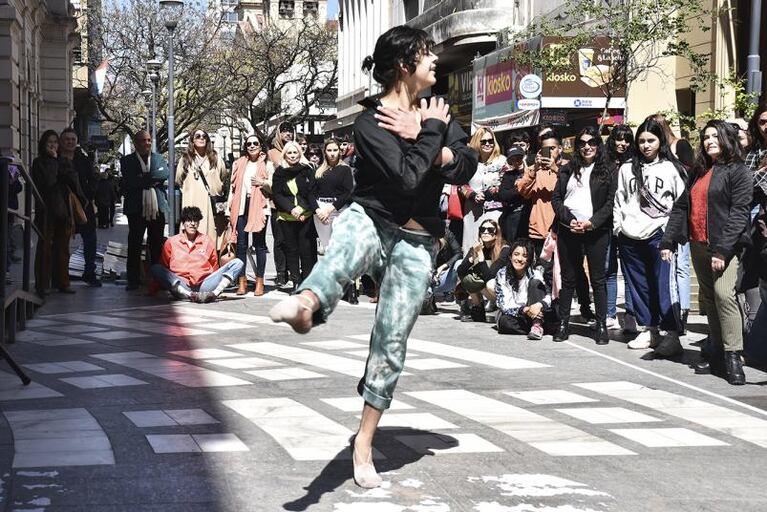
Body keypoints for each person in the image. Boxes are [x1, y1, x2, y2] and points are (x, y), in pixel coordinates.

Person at [268, 25, 476, 489]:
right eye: (426, 53)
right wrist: (432, 134)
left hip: (418, 242)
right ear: (405, 64)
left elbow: (467, 165)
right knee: (344, 249)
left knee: (391, 343)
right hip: (374, 218)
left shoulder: (435, 112)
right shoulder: (369, 123)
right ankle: (307, 304)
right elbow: (405, 178)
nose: (435, 61)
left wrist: (431, 135)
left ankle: (363, 442)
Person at [662, 120, 752, 385]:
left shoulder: (738, 171)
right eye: (706, 137)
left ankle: (733, 354)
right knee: (709, 298)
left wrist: (723, 250)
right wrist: (668, 240)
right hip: (698, 244)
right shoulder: (699, 171)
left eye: (715, 136)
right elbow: (681, 207)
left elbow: (739, 213)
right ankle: (716, 352)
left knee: (725, 295)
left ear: (726, 138)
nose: (709, 140)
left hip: (724, 246)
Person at [614, 118, 686, 357]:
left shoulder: (671, 168)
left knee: (664, 286)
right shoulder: (626, 169)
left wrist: (671, 235)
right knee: (639, 286)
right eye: (642, 141)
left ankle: (672, 334)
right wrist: (618, 227)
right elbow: (619, 200)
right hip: (629, 235)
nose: (646, 145)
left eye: (651, 140)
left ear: (660, 141)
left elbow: (681, 202)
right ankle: (649, 328)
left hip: (659, 236)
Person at [517, 131, 595, 321]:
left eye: (552, 148)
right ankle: (549, 309)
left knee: (574, 270)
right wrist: (535, 168)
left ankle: (585, 307)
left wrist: (554, 169)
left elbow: (571, 191)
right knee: (545, 272)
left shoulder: (568, 168)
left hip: (565, 227)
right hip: (539, 230)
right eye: (545, 148)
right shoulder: (535, 170)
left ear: (560, 149)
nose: (549, 152)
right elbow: (522, 191)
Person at [551, 126, 616, 345]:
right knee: (568, 279)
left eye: (592, 143)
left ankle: (601, 325)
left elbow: (610, 202)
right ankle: (563, 323)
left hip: (596, 231)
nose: (587, 147)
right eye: (582, 143)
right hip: (568, 229)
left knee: (598, 279)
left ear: (598, 145)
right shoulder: (567, 169)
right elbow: (556, 199)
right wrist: (569, 220)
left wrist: (592, 222)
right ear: (577, 147)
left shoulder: (608, 169)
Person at [648, 114, 693, 330]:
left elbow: (689, 173)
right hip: (658, 219)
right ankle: (668, 311)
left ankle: (682, 310)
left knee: (682, 265)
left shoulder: (680, 146)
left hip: (679, 213)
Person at [151, 206, 243, 303]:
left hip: (205, 285)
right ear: (183, 223)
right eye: (189, 220)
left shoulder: (207, 240)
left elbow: (214, 265)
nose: (192, 224)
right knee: (156, 268)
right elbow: (164, 267)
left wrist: (214, 282)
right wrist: (153, 289)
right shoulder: (171, 242)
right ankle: (190, 295)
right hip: (181, 285)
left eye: (196, 221)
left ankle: (214, 294)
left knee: (238, 263)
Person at [31, 130, 82, 294]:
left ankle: (63, 282)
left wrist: (59, 164)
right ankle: (43, 284)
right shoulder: (39, 162)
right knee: (45, 248)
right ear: (43, 145)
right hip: (47, 210)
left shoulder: (63, 161)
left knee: (63, 248)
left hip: (63, 210)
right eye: (49, 142)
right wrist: (54, 162)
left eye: (55, 142)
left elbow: (72, 179)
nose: (53, 145)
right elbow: (48, 182)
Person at [120, 130, 169, 290]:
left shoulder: (158, 158)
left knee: (156, 243)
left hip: (157, 208)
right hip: (136, 208)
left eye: (148, 140)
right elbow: (130, 180)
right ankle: (133, 279)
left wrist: (143, 178)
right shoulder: (126, 161)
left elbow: (165, 174)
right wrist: (151, 179)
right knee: (134, 243)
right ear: (135, 143)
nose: (146, 143)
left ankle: (157, 278)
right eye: (142, 140)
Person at [227, 135, 273, 296]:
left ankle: (260, 281)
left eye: (255, 143)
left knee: (259, 244)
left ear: (261, 146)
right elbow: (232, 189)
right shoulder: (239, 164)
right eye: (249, 144)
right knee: (241, 244)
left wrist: (263, 182)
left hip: (259, 206)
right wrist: (229, 208)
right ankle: (242, 281)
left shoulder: (267, 163)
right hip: (241, 206)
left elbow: (274, 186)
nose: (252, 146)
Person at [272, 141, 317, 289]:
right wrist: (292, 209)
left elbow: (312, 191)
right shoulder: (279, 172)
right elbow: (277, 194)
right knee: (291, 250)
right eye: (289, 153)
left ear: (300, 153)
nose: (292, 155)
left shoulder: (307, 169)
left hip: (306, 216)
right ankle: (296, 281)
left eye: (295, 152)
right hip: (287, 217)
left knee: (307, 250)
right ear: (285, 155)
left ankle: (307, 282)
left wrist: (301, 209)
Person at [605, 125, 637, 332]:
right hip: (606, 222)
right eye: (619, 139)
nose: (622, 143)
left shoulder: (636, 163)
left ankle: (632, 315)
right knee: (609, 269)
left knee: (629, 271)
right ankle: (610, 314)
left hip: (629, 222)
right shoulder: (604, 161)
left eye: (626, 139)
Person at [59, 128, 101, 287]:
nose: (70, 142)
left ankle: (89, 272)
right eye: (66, 139)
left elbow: (93, 178)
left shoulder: (83, 160)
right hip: (63, 206)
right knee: (62, 240)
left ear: (76, 141)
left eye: (72, 139)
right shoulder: (56, 159)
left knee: (90, 239)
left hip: (84, 205)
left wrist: (89, 195)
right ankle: (60, 274)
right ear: (61, 142)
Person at [176, 129, 228, 248]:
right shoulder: (185, 159)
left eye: (204, 136)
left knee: (210, 236)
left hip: (210, 205)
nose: (201, 138)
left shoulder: (215, 158)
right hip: (192, 203)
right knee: (191, 236)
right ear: (192, 140)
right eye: (197, 136)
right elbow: (179, 179)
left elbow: (223, 175)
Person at [495, 239, 556, 339]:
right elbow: (503, 304)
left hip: (539, 310)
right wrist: (525, 310)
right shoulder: (502, 274)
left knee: (535, 283)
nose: (519, 259)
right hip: (519, 314)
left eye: (524, 256)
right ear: (510, 256)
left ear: (530, 259)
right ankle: (540, 327)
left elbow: (550, 295)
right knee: (504, 322)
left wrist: (539, 305)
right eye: (516, 254)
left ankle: (537, 325)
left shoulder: (537, 271)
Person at [460, 127, 506, 253]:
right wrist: (472, 195)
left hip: (495, 210)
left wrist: (490, 192)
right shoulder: (469, 162)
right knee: (471, 247)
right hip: (473, 212)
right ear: (477, 142)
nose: (487, 144)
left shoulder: (502, 161)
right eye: (483, 141)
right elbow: (461, 183)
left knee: (493, 247)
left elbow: (505, 183)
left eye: (490, 141)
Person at [456, 219, 510, 323]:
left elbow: (490, 276)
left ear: (496, 233)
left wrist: (480, 255)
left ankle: (503, 310)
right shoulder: (477, 247)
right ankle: (478, 307)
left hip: (501, 289)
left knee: (489, 283)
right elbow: (460, 271)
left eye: (490, 230)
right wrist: (472, 257)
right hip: (485, 286)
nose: (485, 232)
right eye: (482, 229)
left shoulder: (505, 249)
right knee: (468, 278)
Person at [311, 138, 354, 253]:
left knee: (339, 246)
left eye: (335, 150)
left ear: (340, 151)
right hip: (320, 210)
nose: (332, 153)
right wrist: (317, 210)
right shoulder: (318, 170)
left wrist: (331, 209)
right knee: (327, 247)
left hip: (338, 209)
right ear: (325, 152)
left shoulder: (345, 169)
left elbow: (347, 192)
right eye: (329, 150)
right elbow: (311, 193)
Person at [267, 122, 293, 287]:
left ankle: (294, 272)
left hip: (296, 203)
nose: (287, 134)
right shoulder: (271, 153)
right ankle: (281, 273)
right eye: (284, 131)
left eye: (290, 131)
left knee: (294, 240)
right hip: (277, 203)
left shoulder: (296, 149)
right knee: (279, 240)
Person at [489, 147, 527, 243]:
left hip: (531, 213)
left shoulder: (532, 172)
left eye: (518, 158)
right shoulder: (509, 175)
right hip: (514, 214)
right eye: (512, 160)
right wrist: (519, 189)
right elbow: (504, 195)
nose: (516, 162)